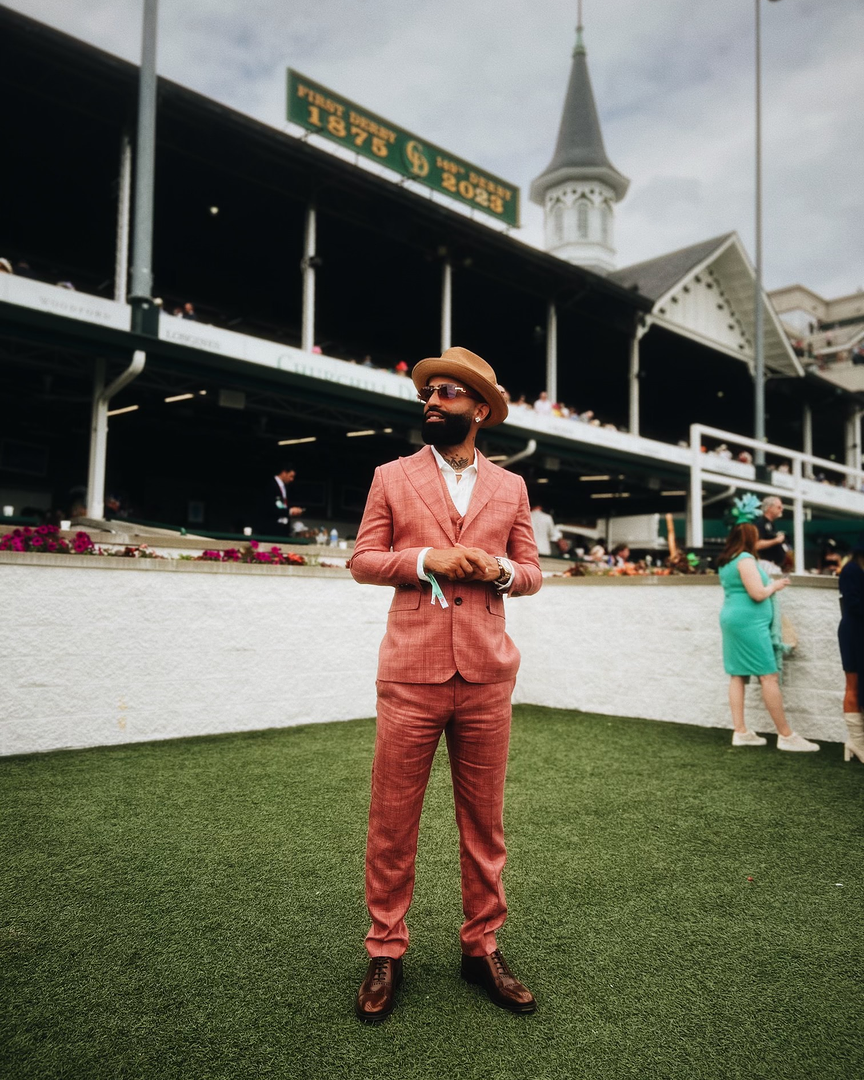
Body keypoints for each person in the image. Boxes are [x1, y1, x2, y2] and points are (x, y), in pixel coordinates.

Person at [349, 346, 542, 1022]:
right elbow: (363, 559)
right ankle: (385, 951)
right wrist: (428, 557)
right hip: (410, 672)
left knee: (484, 824)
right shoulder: (390, 477)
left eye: (448, 393)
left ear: (480, 410)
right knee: (392, 822)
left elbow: (531, 572)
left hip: (488, 673)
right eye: (427, 391)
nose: (431, 400)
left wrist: (493, 569)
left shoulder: (511, 488)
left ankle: (480, 947)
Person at [717, 523, 818, 751]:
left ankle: (740, 731)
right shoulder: (745, 559)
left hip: (733, 619)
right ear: (750, 539)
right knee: (768, 676)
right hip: (749, 623)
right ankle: (786, 735)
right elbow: (758, 593)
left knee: (737, 675)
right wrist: (775, 585)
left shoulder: (727, 560)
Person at [838, 534, 864, 763]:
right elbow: (853, 604)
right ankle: (856, 742)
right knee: (853, 685)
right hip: (854, 632)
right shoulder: (851, 571)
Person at [261, 464, 303, 535]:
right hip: (270, 527)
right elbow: (269, 507)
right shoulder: (270, 485)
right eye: (291, 476)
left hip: (282, 527)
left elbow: (283, 505)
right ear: (284, 473)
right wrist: (290, 511)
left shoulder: (285, 487)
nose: (292, 479)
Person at [755, 496, 789, 574]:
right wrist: (776, 540)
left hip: (774, 565)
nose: (781, 509)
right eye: (779, 507)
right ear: (770, 508)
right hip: (765, 565)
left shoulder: (771, 524)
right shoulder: (760, 523)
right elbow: (756, 544)